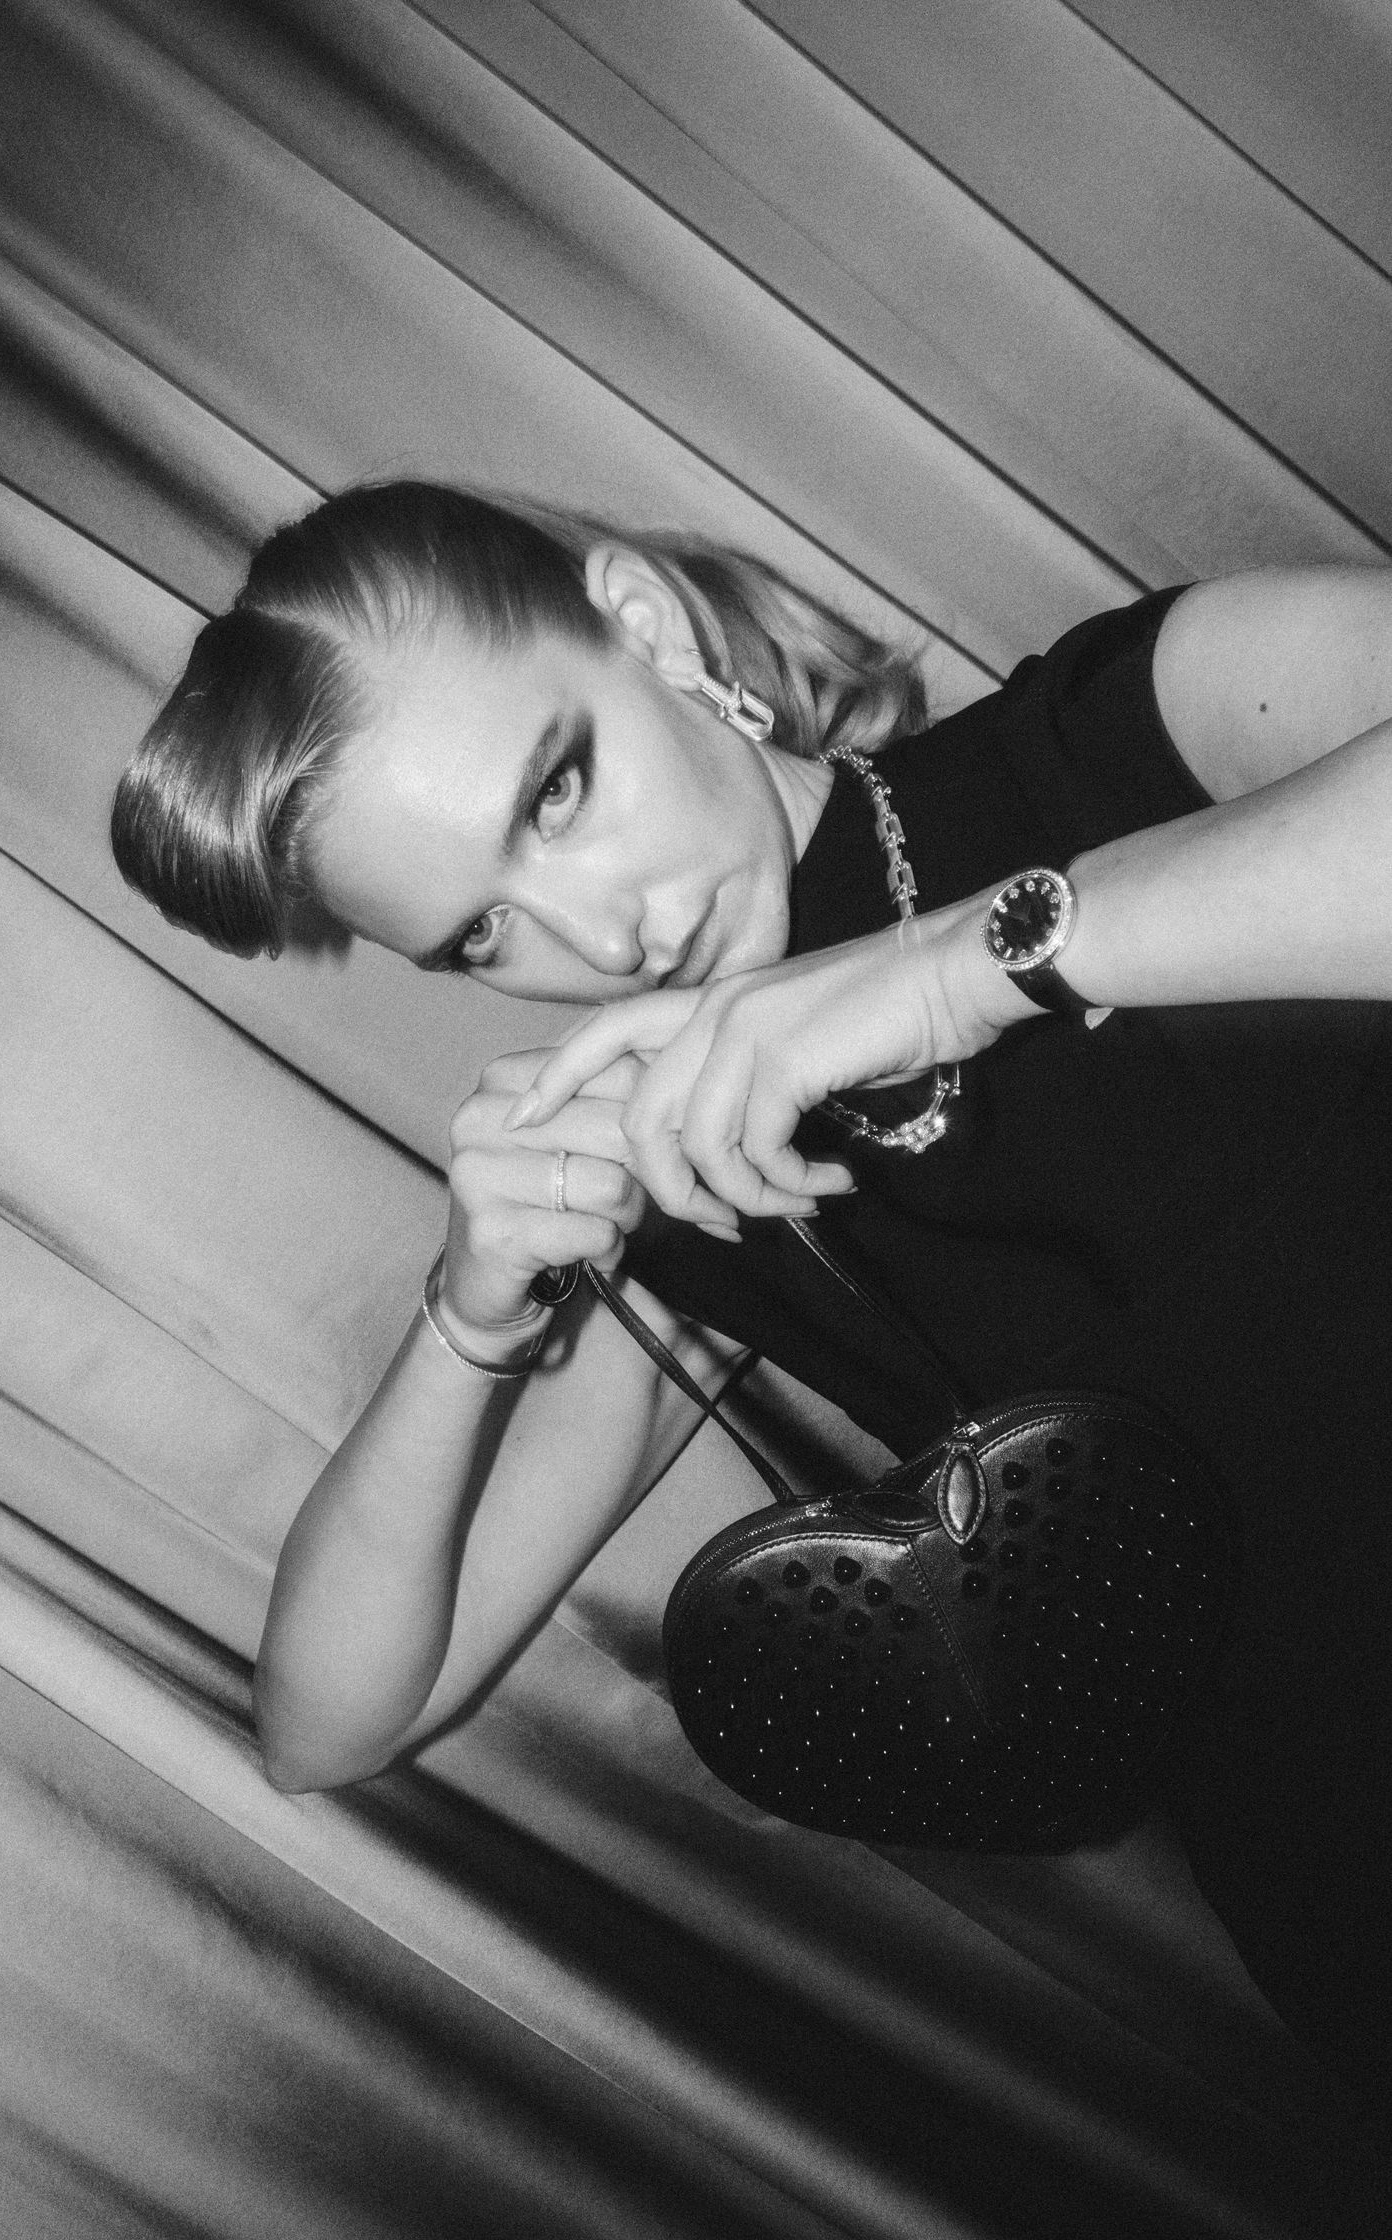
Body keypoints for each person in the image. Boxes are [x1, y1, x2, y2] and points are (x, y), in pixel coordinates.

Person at [111, 482, 1392, 2123]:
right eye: (482, 933)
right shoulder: (703, 1180)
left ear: (645, 628)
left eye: (557, 791)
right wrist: (471, 1316)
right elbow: (332, 1718)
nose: (607, 933)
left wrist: (940, 974)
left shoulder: (1117, 727)